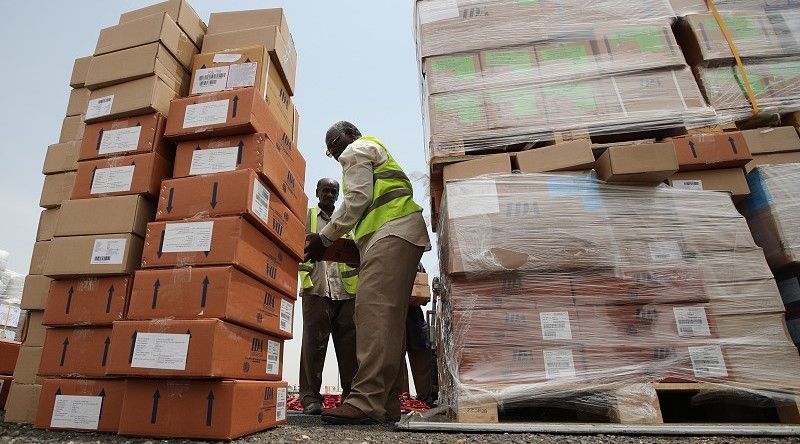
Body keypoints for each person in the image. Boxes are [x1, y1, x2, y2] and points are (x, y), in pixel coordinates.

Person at [305, 121, 431, 425]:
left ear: (349, 135)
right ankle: (386, 403)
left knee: (372, 314)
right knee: (387, 322)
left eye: (335, 145)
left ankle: (365, 400)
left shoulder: (357, 149)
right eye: (331, 151)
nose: (336, 154)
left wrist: (325, 238)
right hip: (398, 235)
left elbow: (357, 198)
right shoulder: (374, 150)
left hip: (392, 233)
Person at [297, 178, 359, 415]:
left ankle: (351, 397)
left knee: (350, 348)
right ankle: (310, 398)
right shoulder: (307, 216)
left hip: (347, 291)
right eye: (325, 190)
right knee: (313, 346)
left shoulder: (347, 219)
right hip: (316, 288)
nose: (330, 194)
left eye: (334, 191)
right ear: (317, 192)